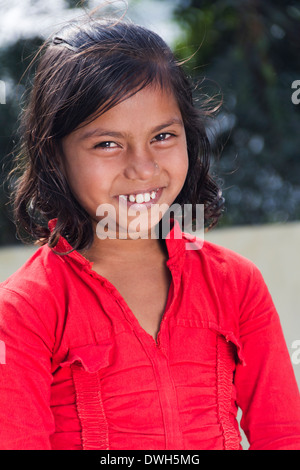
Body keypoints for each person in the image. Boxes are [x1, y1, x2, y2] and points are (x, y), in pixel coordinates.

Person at [0, 14, 299, 451]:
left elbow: (284, 434)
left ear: (190, 138)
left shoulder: (237, 284)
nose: (143, 167)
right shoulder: (25, 310)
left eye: (162, 135)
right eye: (107, 143)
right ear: (53, 156)